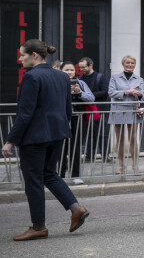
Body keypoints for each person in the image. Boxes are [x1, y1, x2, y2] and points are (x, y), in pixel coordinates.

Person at [2, 39, 89, 241]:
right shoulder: (61, 77)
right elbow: (68, 109)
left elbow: (25, 113)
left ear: (34, 55)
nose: (20, 58)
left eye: (22, 54)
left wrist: (10, 141)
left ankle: (39, 226)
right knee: (49, 174)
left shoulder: (31, 77)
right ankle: (77, 208)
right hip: (57, 133)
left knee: (34, 180)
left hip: (35, 137)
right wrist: (60, 128)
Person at [108, 55, 144, 175]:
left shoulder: (139, 79)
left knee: (133, 138)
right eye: (127, 63)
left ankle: (135, 165)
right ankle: (120, 165)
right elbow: (111, 92)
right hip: (118, 109)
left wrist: (139, 94)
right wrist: (126, 92)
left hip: (133, 110)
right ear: (123, 64)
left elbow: (143, 96)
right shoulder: (115, 78)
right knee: (119, 139)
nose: (130, 65)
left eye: (132, 63)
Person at [59, 61, 94, 183]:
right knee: (61, 147)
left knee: (76, 146)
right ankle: (60, 174)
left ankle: (75, 175)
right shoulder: (56, 82)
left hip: (77, 118)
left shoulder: (81, 83)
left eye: (72, 70)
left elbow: (91, 98)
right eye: (66, 70)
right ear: (61, 71)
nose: (69, 72)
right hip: (61, 118)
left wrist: (79, 92)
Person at [79, 57, 110, 163]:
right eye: (80, 67)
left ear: (90, 65)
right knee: (89, 132)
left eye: (83, 67)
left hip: (99, 109)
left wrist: (89, 95)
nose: (81, 69)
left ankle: (105, 155)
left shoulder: (99, 77)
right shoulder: (80, 78)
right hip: (87, 109)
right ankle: (89, 155)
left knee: (102, 133)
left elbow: (105, 92)